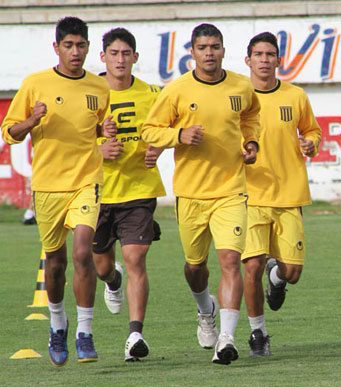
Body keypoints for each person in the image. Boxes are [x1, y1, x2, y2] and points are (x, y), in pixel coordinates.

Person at [142, 23, 260, 365]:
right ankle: (204, 309)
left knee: (230, 261)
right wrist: (180, 135)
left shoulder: (241, 86)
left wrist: (251, 143)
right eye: (203, 47)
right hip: (191, 193)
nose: (209, 53)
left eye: (215, 47)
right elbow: (151, 129)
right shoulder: (177, 90)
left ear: (224, 50)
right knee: (195, 267)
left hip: (231, 190)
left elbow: (252, 116)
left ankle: (226, 339)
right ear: (192, 53)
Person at [1, 16, 115, 366]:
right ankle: (57, 324)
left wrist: (105, 133)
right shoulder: (35, 84)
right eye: (68, 45)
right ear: (57, 47)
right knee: (55, 263)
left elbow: (99, 132)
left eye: (81, 45)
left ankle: (85, 333)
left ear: (88, 48)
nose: (75, 51)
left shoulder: (99, 88)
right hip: (49, 187)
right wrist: (31, 122)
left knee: (83, 252)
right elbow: (10, 132)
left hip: (86, 182)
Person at [242, 32, 321, 356]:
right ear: (248, 60)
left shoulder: (296, 96)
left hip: (289, 194)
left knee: (293, 272)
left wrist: (310, 143)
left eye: (269, 54)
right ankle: (258, 332)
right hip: (249, 195)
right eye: (258, 54)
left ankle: (278, 278)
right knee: (251, 265)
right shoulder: (238, 97)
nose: (264, 59)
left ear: (278, 60)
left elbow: (312, 130)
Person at [94, 27, 166, 362]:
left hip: (139, 190)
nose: (120, 59)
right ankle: (112, 279)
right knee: (101, 265)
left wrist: (158, 150)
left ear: (135, 57)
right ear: (103, 57)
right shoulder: (89, 93)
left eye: (126, 54)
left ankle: (135, 334)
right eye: (114, 53)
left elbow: (166, 128)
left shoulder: (152, 94)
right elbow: (70, 137)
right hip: (96, 191)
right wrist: (98, 146)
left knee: (137, 258)